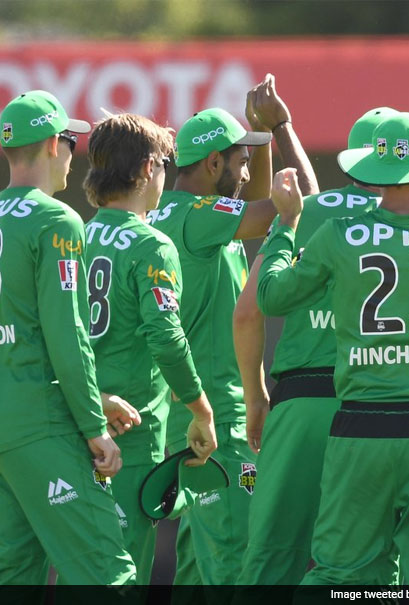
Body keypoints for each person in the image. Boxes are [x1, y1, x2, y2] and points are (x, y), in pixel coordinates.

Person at [257, 111, 409, 585]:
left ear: (373, 170)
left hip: (361, 432)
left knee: (340, 576)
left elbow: (271, 297)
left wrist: (286, 224)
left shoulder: (336, 236)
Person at [149, 74, 317, 585]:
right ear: (213, 163)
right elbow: (300, 205)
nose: (246, 175)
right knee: (241, 557)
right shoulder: (200, 218)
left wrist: (259, 138)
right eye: (240, 163)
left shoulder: (179, 214)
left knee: (200, 566)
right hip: (220, 418)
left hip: (190, 416)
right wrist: (282, 125)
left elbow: (259, 204)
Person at [235, 106, 395, 585]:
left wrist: (256, 396)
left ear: (349, 162)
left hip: (302, 404)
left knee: (271, 556)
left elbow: (247, 312)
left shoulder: (309, 214)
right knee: (372, 563)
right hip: (381, 409)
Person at [0, 90, 136, 584]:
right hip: (42, 424)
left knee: (14, 574)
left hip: (7, 426)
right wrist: (94, 424)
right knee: (107, 571)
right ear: (55, 145)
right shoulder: (57, 219)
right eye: (71, 142)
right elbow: (67, 336)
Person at [82, 112, 218, 584]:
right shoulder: (151, 245)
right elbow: (166, 337)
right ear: (145, 169)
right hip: (130, 434)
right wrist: (201, 408)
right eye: (164, 162)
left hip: (76, 420)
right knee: (124, 575)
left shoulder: (74, 236)